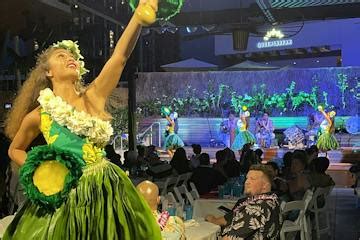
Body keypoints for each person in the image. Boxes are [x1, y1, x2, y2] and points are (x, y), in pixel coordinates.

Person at [2, 1, 162, 239]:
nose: (71, 59)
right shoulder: (38, 115)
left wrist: (137, 18)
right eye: (61, 55)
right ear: (48, 72)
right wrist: (39, 170)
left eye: (74, 57)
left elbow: (119, 57)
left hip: (104, 193)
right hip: (64, 197)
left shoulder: (93, 96)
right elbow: (15, 149)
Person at [205, 164, 281, 239]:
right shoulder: (272, 200)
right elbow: (229, 219)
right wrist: (213, 220)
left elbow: (229, 238)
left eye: (253, 179)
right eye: (247, 178)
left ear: (265, 186)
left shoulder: (257, 208)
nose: (246, 182)